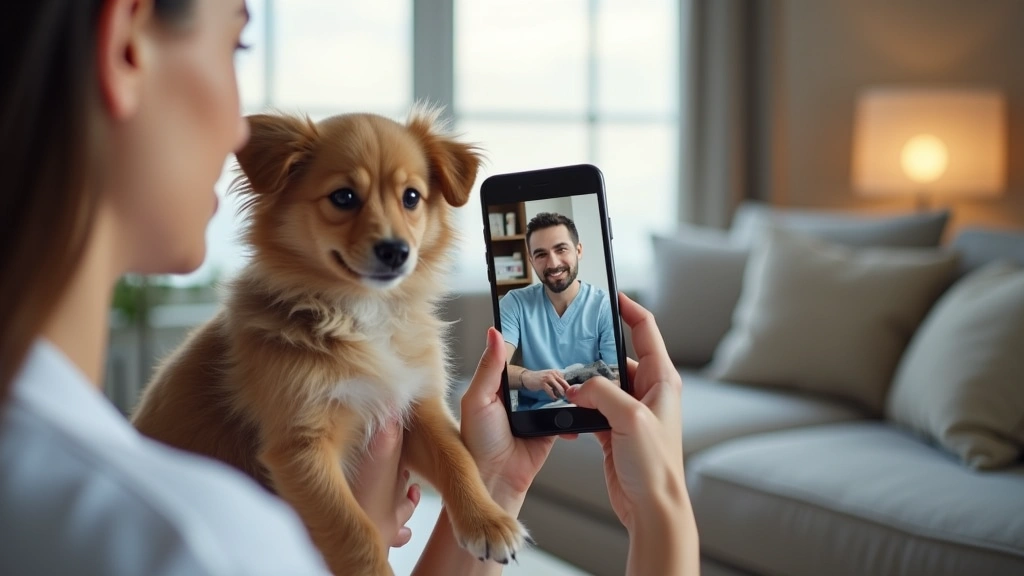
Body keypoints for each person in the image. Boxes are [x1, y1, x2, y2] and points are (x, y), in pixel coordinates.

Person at [0, 1, 698, 575]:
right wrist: (664, 508)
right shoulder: (196, 543)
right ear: (126, 44)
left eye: (410, 199)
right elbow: (300, 466)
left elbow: (418, 423)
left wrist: (490, 488)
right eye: (238, 47)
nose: (388, 231)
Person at [501, 212, 619, 410]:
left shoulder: (603, 304)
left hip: (588, 412)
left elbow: (617, 376)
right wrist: (528, 377)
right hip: (532, 418)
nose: (553, 263)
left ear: (578, 250)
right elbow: (496, 370)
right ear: (531, 260)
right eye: (541, 254)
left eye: (561, 249)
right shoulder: (514, 303)